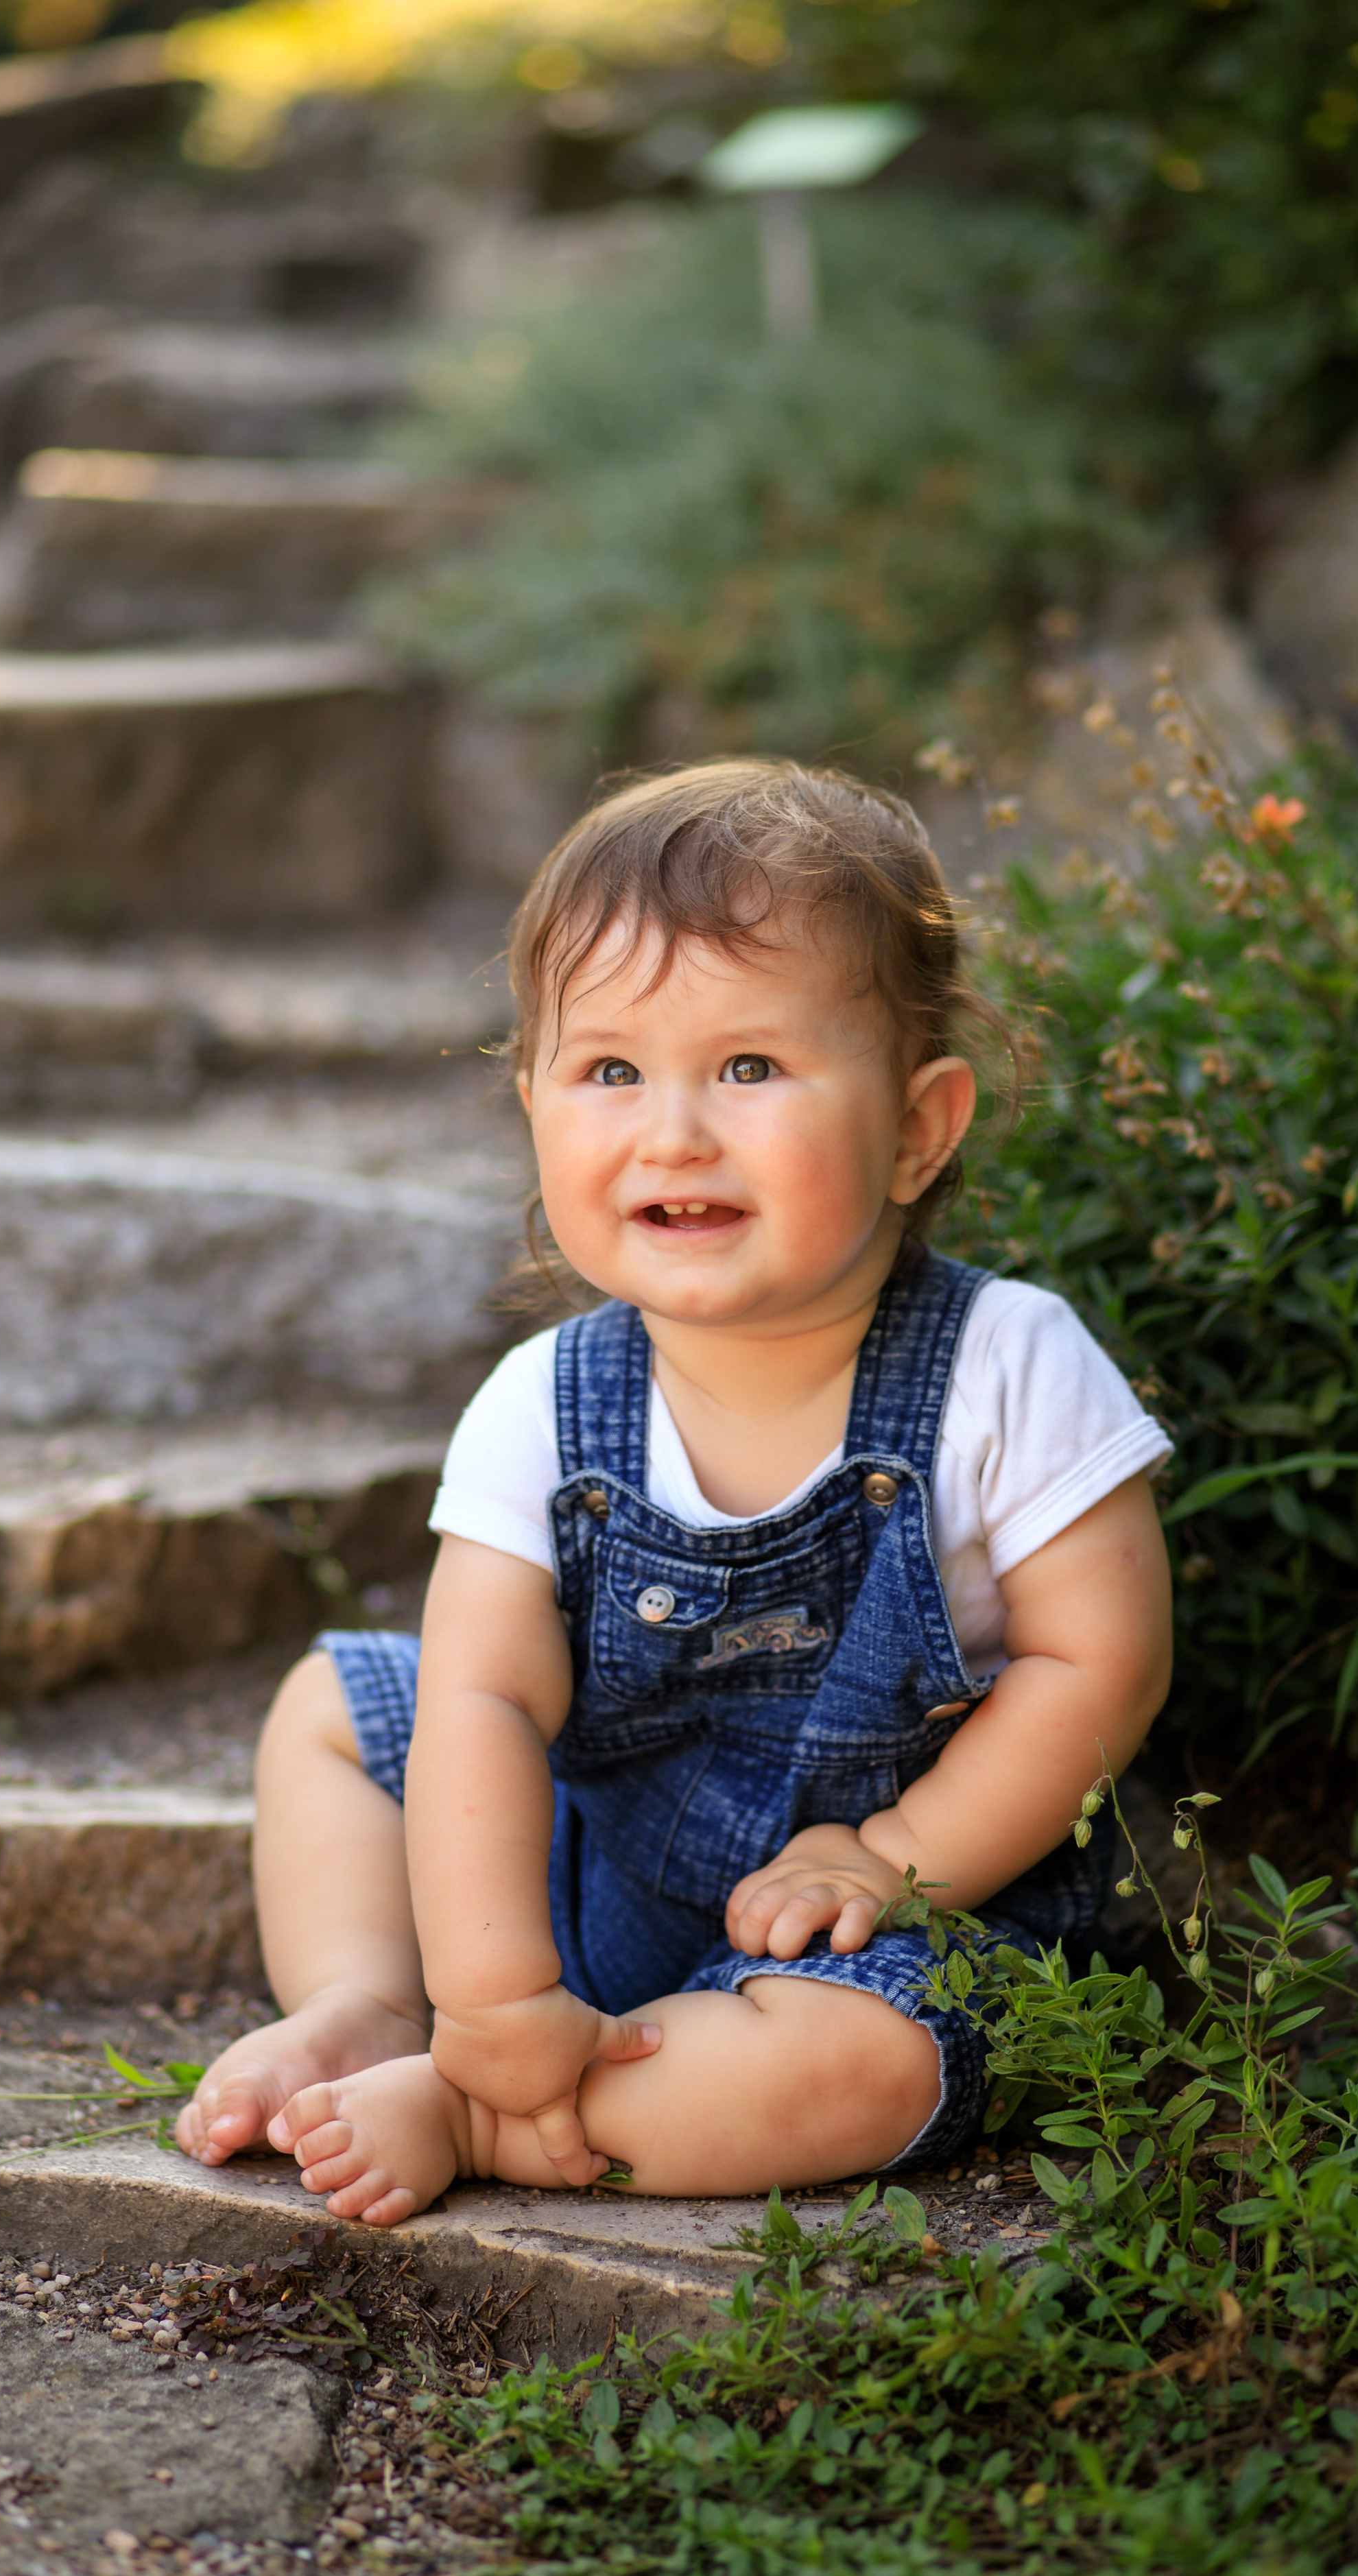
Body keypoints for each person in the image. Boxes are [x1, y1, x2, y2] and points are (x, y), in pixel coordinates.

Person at [176, 760, 1174, 2221]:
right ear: (533, 1108)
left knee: (867, 2067)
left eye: (750, 1069)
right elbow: (482, 1704)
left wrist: (892, 1860)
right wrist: (496, 1981)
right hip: (580, 1886)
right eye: (610, 1071)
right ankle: (378, 2008)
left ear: (916, 1127)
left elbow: (1103, 1667)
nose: (674, 1130)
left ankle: (486, 2121)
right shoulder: (543, 1405)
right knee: (340, 1709)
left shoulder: (1006, 1367)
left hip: (880, 1933)